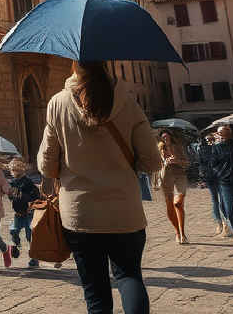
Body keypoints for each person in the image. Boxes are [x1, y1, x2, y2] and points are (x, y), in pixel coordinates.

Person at [39, 61, 161, 314]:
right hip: (124, 211)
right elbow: (152, 161)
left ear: (75, 65)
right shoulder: (127, 102)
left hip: (80, 214)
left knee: (95, 293)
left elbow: (47, 165)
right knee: (129, 276)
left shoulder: (57, 103)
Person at [6, 157, 41, 268]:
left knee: (30, 236)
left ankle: (34, 259)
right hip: (18, 213)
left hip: (29, 213)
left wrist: (25, 197)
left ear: (22, 170)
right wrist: (10, 195)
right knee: (13, 231)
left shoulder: (28, 182)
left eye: (16, 170)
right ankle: (17, 245)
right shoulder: (12, 183)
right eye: (12, 170)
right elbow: (11, 197)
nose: (14, 172)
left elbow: (36, 195)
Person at [158, 130, 190, 244]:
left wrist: (177, 160)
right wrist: (164, 162)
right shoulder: (159, 149)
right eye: (163, 137)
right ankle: (178, 233)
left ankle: (183, 233)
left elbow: (187, 163)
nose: (165, 138)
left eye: (167, 136)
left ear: (171, 137)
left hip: (180, 176)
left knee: (178, 203)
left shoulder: (178, 147)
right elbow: (153, 165)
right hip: (166, 177)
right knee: (170, 205)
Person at [197, 132, 229, 238]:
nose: (209, 141)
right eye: (207, 139)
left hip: (220, 176)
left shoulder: (220, 146)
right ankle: (219, 223)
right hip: (210, 177)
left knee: (222, 200)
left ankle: (225, 224)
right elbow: (201, 163)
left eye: (211, 138)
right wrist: (202, 177)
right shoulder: (202, 148)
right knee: (215, 200)